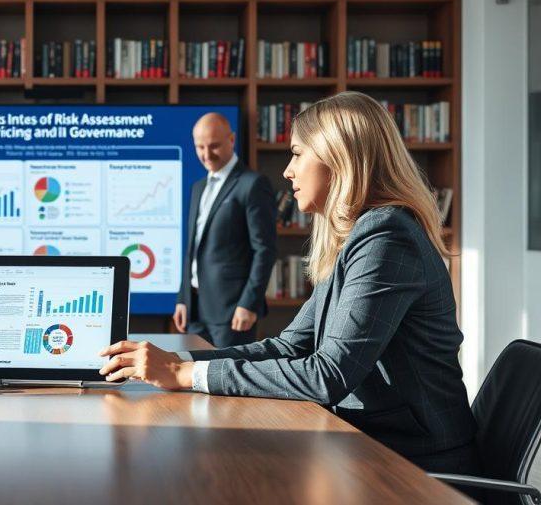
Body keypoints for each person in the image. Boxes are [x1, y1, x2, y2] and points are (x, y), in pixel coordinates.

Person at [99, 91, 478, 475]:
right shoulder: (361, 236)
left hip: (416, 466)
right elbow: (289, 346)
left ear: (338, 157)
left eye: (297, 153)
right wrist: (176, 362)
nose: (287, 171)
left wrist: (185, 376)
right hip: (371, 444)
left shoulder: (386, 238)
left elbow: (328, 375)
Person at [173, 112, 277, 347]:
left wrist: (249, 303)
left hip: (232, 313)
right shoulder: (198, 187)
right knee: (191, 381)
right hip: (195, 311)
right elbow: (193, 247)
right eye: (200, 147)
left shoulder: (253, 184)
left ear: (231, 139)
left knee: (225, 382)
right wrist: (183, 298)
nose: (206, 154)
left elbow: (265, 250)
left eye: (214, 146)